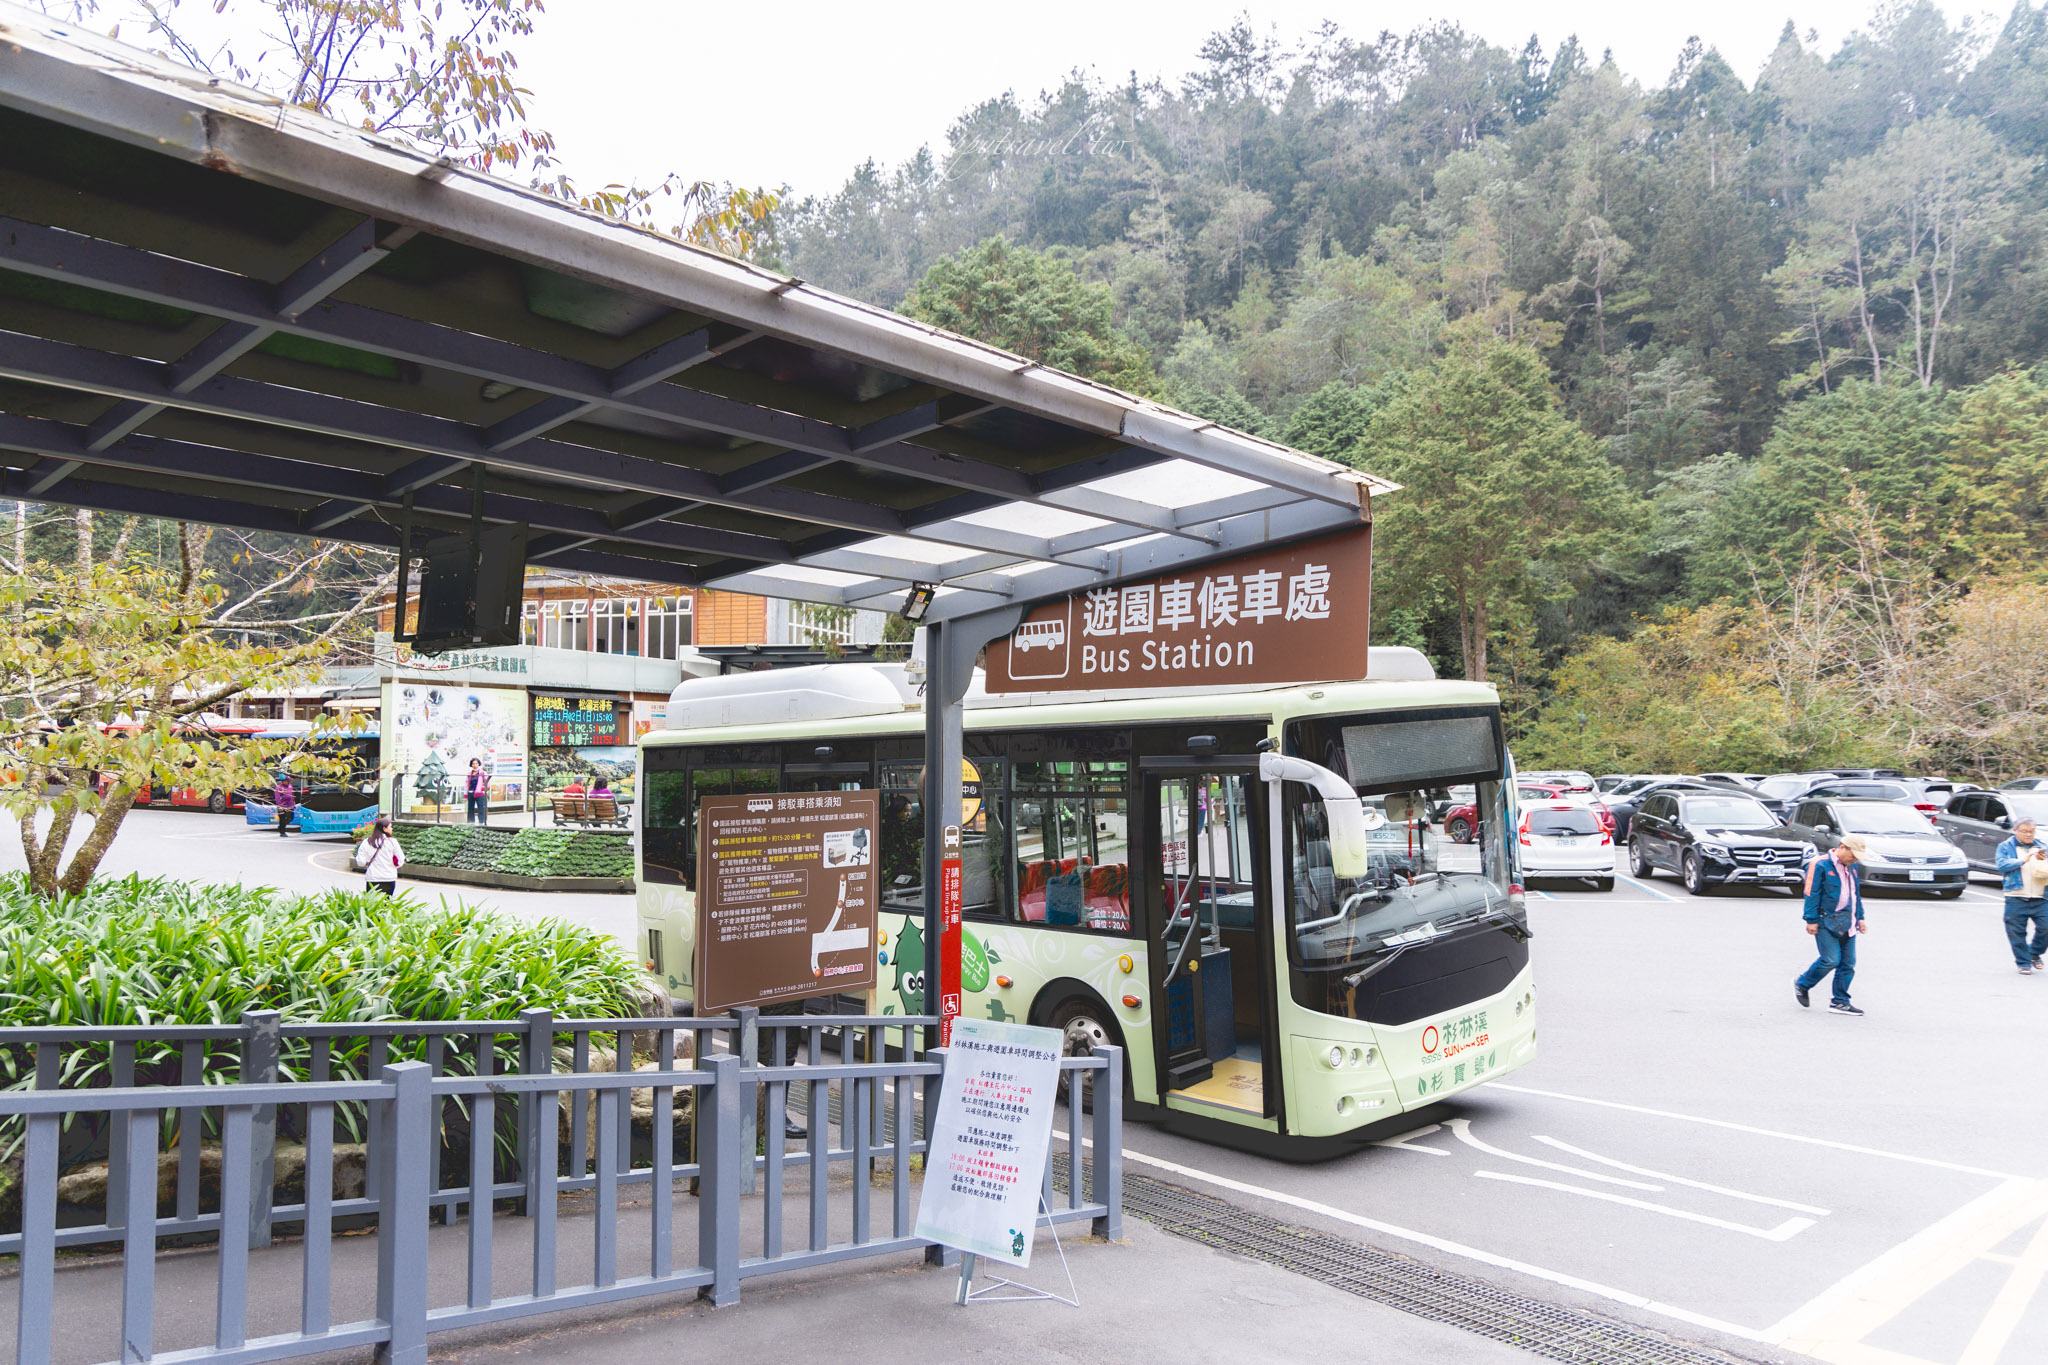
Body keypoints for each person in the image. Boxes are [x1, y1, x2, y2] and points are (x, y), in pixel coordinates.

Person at [1796, 835, 1870, 1016]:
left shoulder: (1852, 867)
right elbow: (1811, 893)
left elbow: (1855, 894)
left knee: (1848, 963)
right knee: (1830, 960)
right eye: (1853, 855)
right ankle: (1802, 984)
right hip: (1825, 920)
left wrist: (1860, 917)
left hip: (1848, 921)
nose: (1854, 859)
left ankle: (1840, 1002)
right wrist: (1811, 920)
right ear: (1842, 847)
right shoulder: (1820, 864)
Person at [1995, 817, 2048, 974]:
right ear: (2015, 831)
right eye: (2024, 831)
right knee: (2016, 932)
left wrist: (2043, 859)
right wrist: (2023, 859)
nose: (2028, 835)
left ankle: (2033, 952)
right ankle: (2023, 963)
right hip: (2015, 896)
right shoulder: (2005, 846)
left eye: (2031, 831)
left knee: (2046, 927)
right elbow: (2002, 865)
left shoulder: (2042, 847)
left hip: (2041, 897)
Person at [353, 815, 406, 896]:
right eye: (390, 827)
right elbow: (400, 860)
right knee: (387, 904)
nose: (392, 829)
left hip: (373, 878)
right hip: (389, 878)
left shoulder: (367, 842)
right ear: (384, 829)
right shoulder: (392, 842)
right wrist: (393, 865)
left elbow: (361, 862)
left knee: (374, 905)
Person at [463, 757, 489, 826]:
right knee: (470, 809)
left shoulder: (483, 773)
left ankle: (482, 823)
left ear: (478, 764)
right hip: (470, 793)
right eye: (473, 763)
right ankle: (471, 823)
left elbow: (487, 784)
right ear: (471, 765)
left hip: (479, 794)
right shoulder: (469, 773)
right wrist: (465, 794)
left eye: (476, 763)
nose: (475, 765)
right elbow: (466, 784)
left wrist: (481, 789)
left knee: (481, 808)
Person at [271, 773, 296, 838]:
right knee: (282, 820)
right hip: (282, 806)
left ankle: (281, 826)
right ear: (282, 781)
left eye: (287, 781)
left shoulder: (290, 786)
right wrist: (280, 806)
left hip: (290, 805)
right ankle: (282, 832)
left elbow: (292, 795)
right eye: (285, 781)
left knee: (291, 818)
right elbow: (277, 798)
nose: (286, 782)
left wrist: (294, 804)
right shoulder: (278, 787)